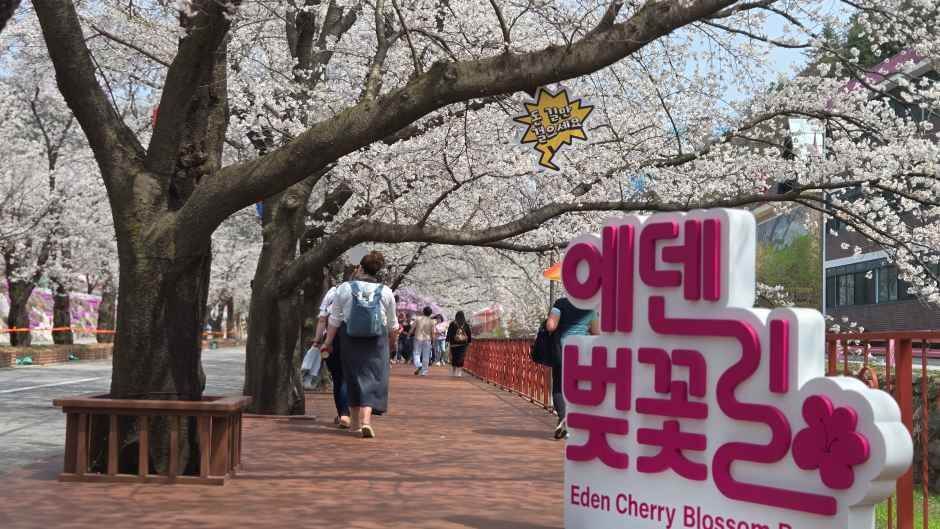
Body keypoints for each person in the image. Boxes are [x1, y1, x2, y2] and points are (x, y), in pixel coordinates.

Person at [321, 251, 399, 439]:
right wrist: (392, 345)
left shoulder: (345, 288)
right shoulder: (386, 291)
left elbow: (335, 319)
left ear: (360, 268)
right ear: (378, 271)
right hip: (376, 340)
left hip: (350, 337)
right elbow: (393, 324)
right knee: (373, 378)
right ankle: (366, 422)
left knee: (352, 377)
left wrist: (327, 342)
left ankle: (354, 423)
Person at [545, 296, 598, 440]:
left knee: (558, 387)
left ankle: (564, 419)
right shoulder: (589, 305)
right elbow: (596, 331)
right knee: (578, 388)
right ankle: (572, 423)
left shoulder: (560, 304)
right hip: (582, 352)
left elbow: (551, 326)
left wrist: (551, 318)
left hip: (562, 351)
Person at [312, 267, 352, 428]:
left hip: (332, 339)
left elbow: (322, 319)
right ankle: (358, 414)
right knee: (352, 377)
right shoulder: (364, 293)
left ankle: (343, 414)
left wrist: (317, 340)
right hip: (357, 340)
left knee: (338, 377)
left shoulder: (332, 292)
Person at [446, 311, 472, 377]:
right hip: (463, 344)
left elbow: (449, 333)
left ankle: (453, 371)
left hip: (454, 344)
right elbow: (469, 334)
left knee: (454, 357)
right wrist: (469, 342)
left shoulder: (452, 323)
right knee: (461, 358)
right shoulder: (465, 324)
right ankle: (459, 372)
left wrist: (447, 340)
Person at [412, 306, 436, 376]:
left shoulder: (418, 318)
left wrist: (409, 334)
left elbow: (412, 327)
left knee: (416, 353)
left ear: (423, 312)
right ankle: (424, 372)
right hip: (427, 339)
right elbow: (433, 332)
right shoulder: (432, 321)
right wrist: (433, 341)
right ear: (430, 313)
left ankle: (419, 364)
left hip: (418, 338)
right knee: (426, 355)